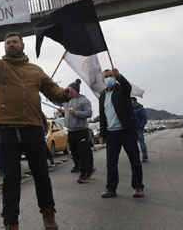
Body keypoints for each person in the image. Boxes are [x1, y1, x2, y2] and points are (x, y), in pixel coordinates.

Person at [0, 29, 72, 230]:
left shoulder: (36, 70)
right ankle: (11, 222)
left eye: (14, 42)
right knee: (11, 179)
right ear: (4, 48)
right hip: (8, 132)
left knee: (42, 176)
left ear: (22, 45)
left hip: (34, 130)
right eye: (8, 43)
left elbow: (53, 91)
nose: (11, 45)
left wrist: (64, 94)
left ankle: (48, 214)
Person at [98, 68, 144, 198]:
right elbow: (102, 116)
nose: (108, 78)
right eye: (106, 76)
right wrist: (102, 134)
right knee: (111, 163)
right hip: (112, 134)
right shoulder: (102, 96)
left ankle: (138, 187)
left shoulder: (121, 90)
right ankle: (111, 188)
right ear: (103, 80)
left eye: (111, 75)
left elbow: (127, 86)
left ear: (115, 77)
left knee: (134, 160)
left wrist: (120, 77)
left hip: (126, 131)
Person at [57, 79, 95, 183]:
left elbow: (89, 113)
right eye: (68, 90)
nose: (69, 92)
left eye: (70, 90)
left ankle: (84, 174)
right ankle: (84, 168)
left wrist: (76, 113)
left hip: (81, 130)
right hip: (71, 130)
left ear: (76, 90)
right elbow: (55, 100)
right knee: (74, 151)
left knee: (83, 152)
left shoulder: (84, 100)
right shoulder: (66, 100)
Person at [131, 97, 148, 162]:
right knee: (133, 144)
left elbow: (144, 119)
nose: (130, 102)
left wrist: (140, 127)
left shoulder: (141, 109)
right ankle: (136, 157)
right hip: (132, 129)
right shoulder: (129, 109)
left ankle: (144, 156)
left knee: (141, 143)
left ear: (135, 101)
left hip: (138, 129)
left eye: (131, 101)